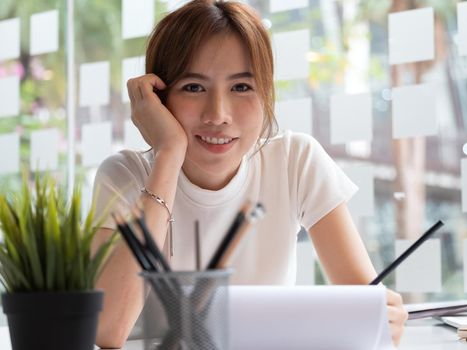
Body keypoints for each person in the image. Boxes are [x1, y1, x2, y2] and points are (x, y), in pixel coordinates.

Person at [91, 0, 408, 348]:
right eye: (194, 87)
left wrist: (383, 316)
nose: (218, 114)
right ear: (159, 98)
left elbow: (362, 305)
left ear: (266, 94)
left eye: (241, 87)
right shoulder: (124, 174)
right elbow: (107, 329)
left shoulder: (294, 159)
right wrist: (168, 155)